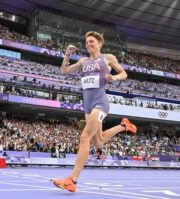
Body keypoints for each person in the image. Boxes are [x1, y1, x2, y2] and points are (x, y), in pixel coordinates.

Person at [51, 31, 137, 192]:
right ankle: (124, 126)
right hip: (88, 106)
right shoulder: (83, 61)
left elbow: (124, 73)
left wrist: (114, 78)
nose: (89, 44)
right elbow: (64, 71)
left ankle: (72, 180)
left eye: (92, 41)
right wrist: (67, 54)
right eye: (87, 43)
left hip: (100, 103)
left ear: (99, 43)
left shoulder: (108, 58)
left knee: (85, 137)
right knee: (99, 141)